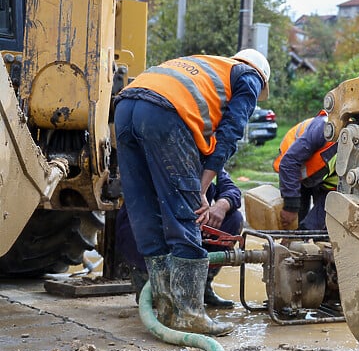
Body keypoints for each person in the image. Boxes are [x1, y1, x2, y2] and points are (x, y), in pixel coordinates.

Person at [114, 49, 270, 336]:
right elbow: (231, 133)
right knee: (184, 217)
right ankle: (188, 313)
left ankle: (164, 308)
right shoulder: (249, 76)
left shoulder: (205, 64)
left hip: (125, 106)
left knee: (143, 208)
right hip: (163, 113)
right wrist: (200, 188)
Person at [116, 168, 244, 309]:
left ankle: (202, 287)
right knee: (139, 221)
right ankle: (147, 282)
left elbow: (231, 188)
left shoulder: (209, 159)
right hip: (154, 223)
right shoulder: (157, 153)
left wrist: (222, 205)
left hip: (190, 224)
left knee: (234, 218)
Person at [272, 111, 338, 231]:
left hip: (323, 180)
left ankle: (301, 236)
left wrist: (309, 228)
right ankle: (291, 239)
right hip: (295, 168)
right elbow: (289, 163)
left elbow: (333, 199)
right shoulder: (325, 129)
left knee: (317, 228)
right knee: (295, 217)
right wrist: (291, 206)